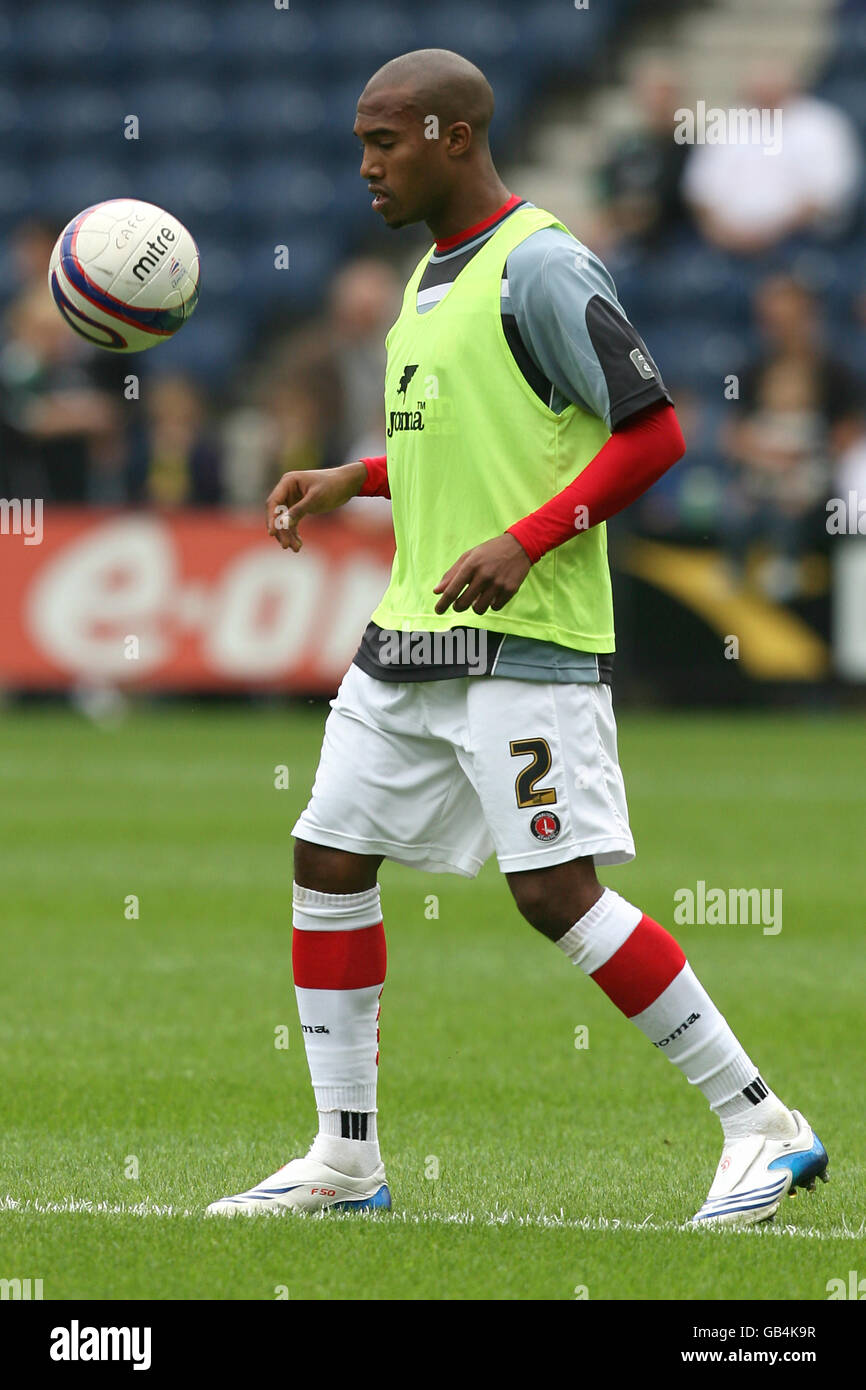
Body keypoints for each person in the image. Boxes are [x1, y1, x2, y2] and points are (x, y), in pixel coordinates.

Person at [206, 50, 829, 1226]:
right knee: (328, 859)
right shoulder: (426, 276)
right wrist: (357, 475)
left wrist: (529, 541)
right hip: (412, 641)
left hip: (521, 640)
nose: (365, 167)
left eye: (383, 141)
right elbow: (484, 440)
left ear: (449, 133)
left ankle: (764, 1125)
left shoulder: (539, 264)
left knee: (554, 893)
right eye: (357, 143)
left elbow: (650, 433)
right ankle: (345, 1160)